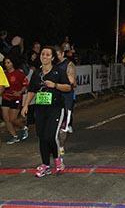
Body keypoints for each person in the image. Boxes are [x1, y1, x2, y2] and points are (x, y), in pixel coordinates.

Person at [21, 46, 72, 177]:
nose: (44, 56)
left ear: (53, 57)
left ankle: (58, 161)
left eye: (48, 54)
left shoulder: (58, 71)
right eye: (43, 54)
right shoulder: (37, 73)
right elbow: (31, 90)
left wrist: (55, 85)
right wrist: (25, 105)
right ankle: (45, 165)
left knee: (51, 136)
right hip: (40, 109)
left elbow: (68, 87)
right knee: (42, 137)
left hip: (56, 108)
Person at [54, 46, 77, 156]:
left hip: (66, 98)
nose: (56, 57)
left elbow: (72, 82)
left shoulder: (69, 65)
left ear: (62, 54)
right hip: (54, 98)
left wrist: (58, 82)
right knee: (52, 124)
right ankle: (54, 145)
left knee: (64, 126)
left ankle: (61, 146)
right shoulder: (50, 65)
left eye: (57, 54)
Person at [2, 56, 29, 144]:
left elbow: (25, 85)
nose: (7, 64)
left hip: (16, 99)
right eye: (5, 63)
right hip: (5, 97)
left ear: (13, 63)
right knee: (6, 118)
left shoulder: (19, 73)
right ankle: (14, 136)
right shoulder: (3, 74)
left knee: (12, 119)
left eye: (9, 62)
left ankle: (23, 127)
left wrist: (19, 92)